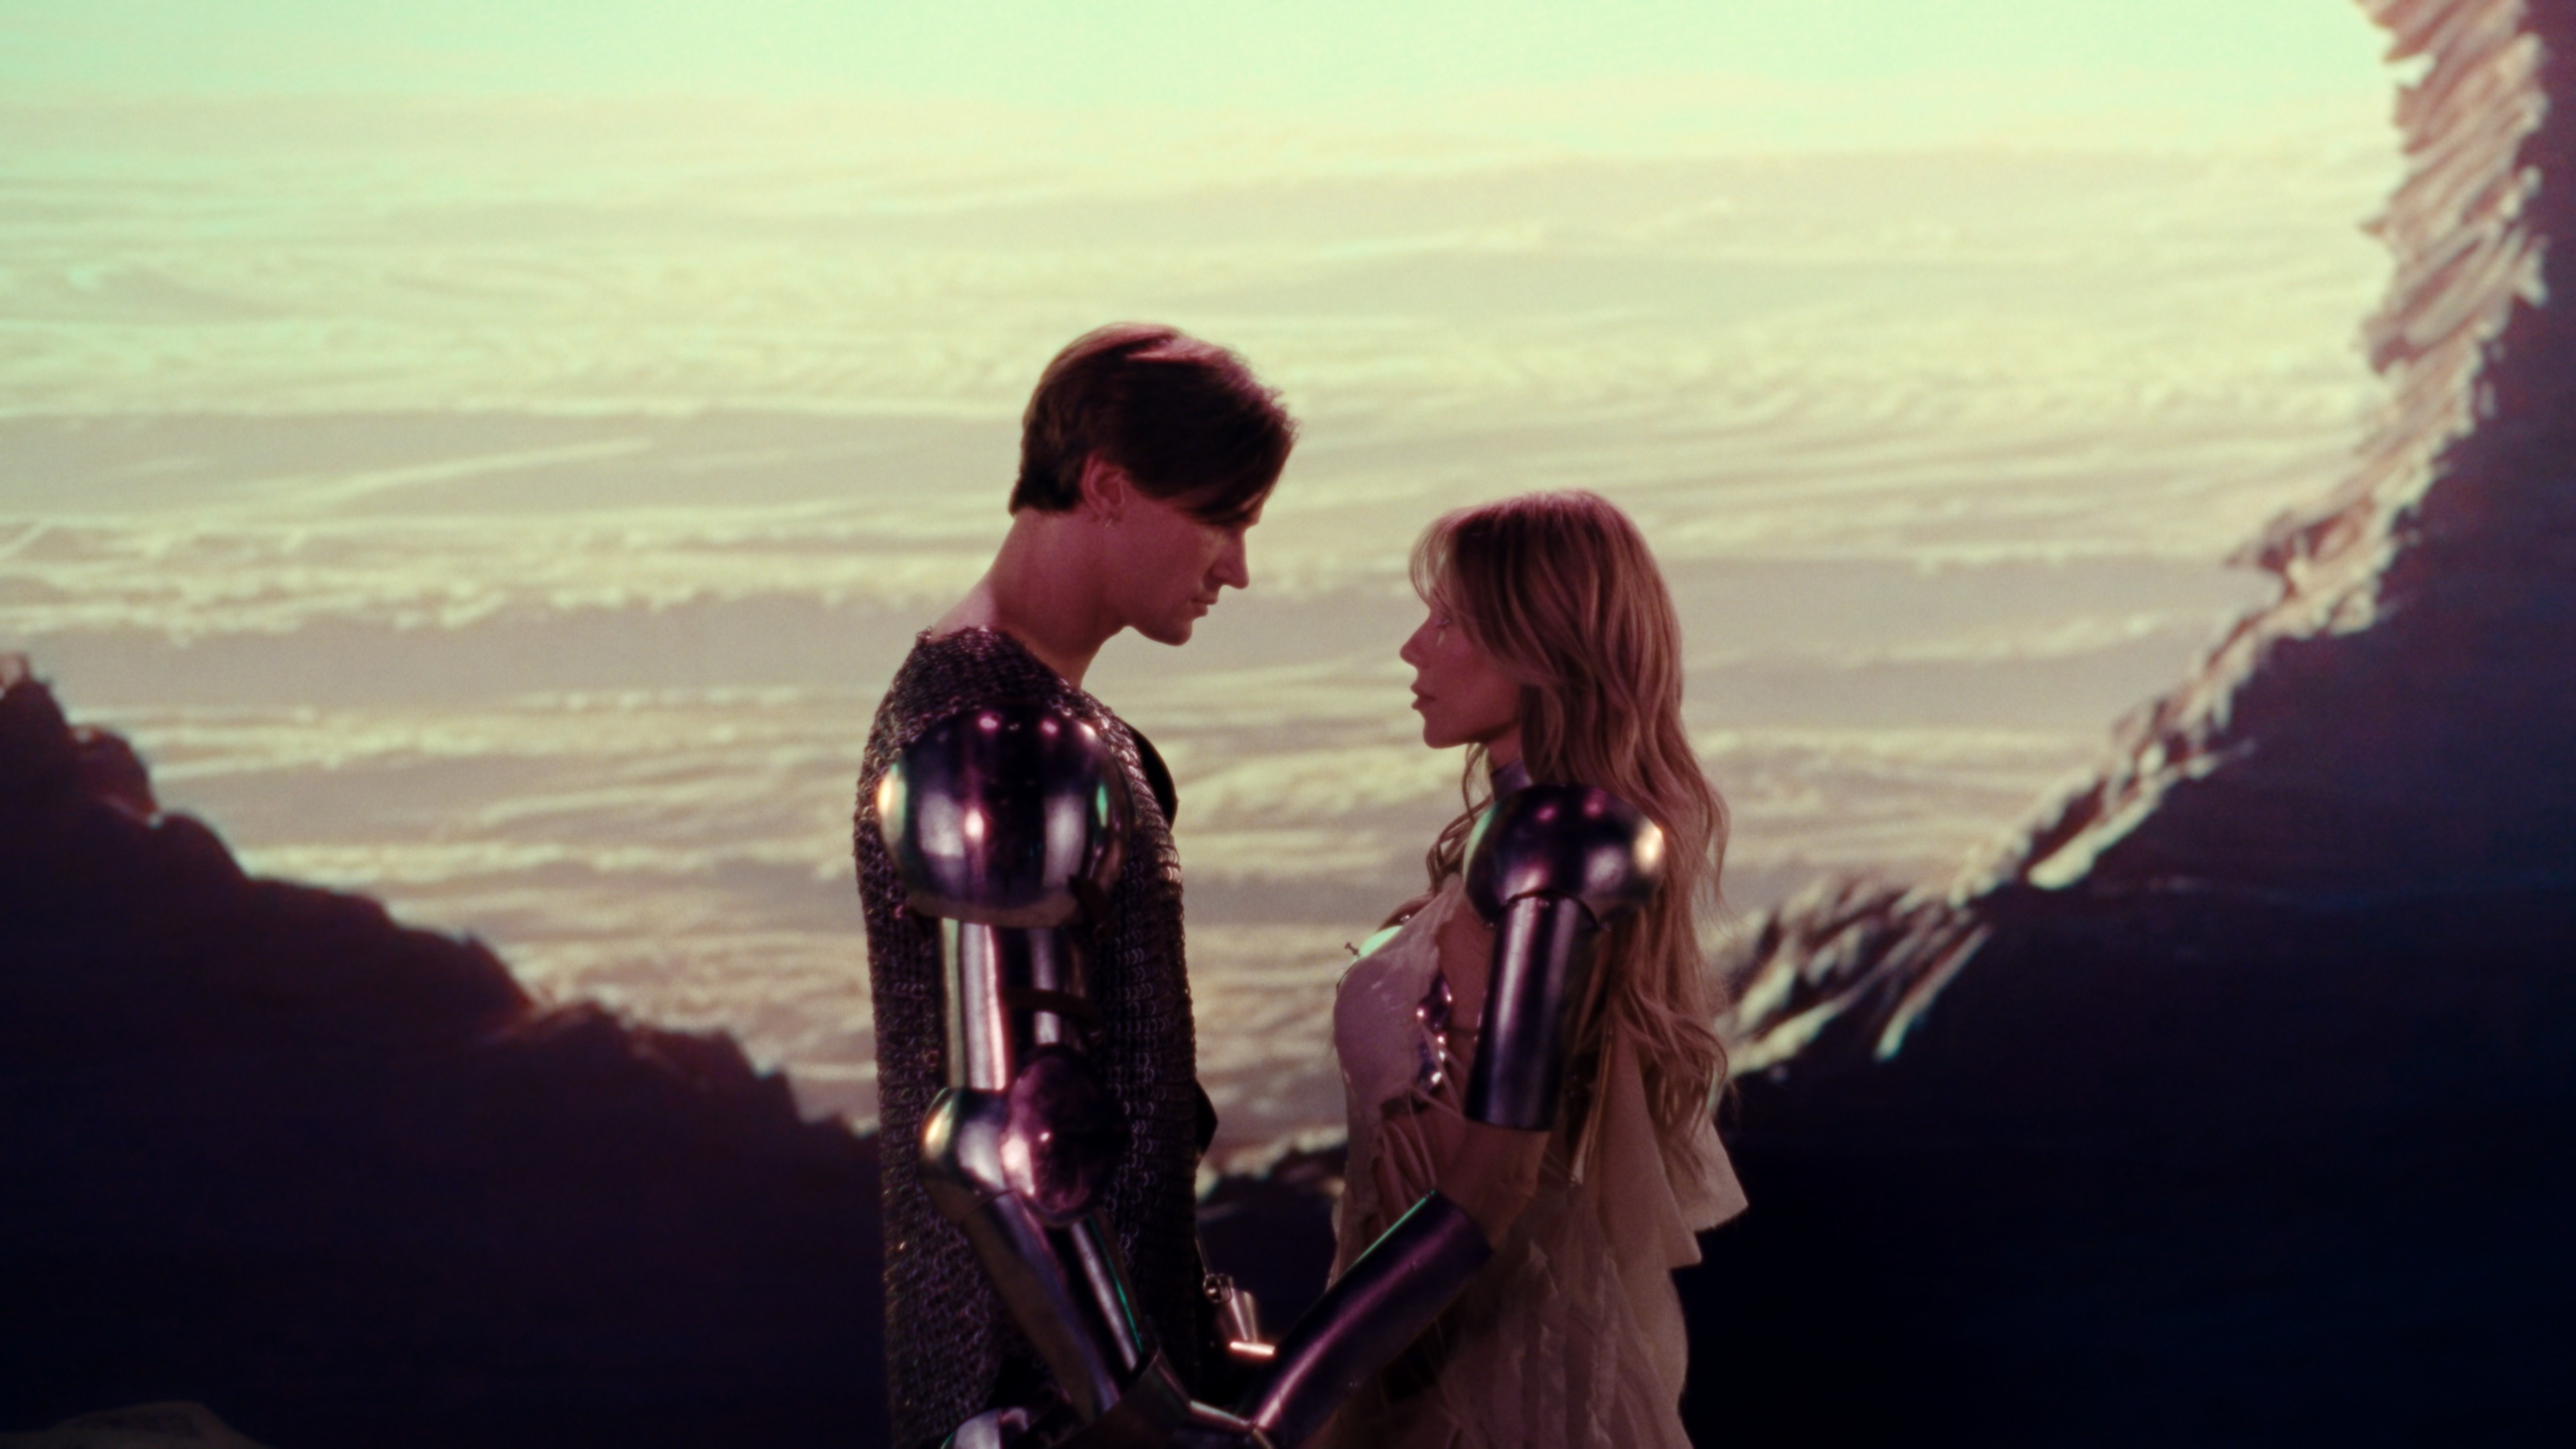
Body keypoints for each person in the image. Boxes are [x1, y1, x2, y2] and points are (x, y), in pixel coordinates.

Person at [852, 322, 1295, 1448]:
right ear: (1106, 487)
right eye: (1222, 518)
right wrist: (1147, 1412)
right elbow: (997, 1141)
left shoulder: (1046, 721)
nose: (1237, 567)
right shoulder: (992, 740)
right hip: (1042, 1405)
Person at [1324, 490, 1748, 1448]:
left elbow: (1490, 1190)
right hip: (1427, 1368)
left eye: (1449, 623)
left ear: (1540, 648)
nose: (1413, 649)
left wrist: (1293, 1395)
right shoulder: (1511, 851)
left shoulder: (1552, 850)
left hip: (1496, 1393)